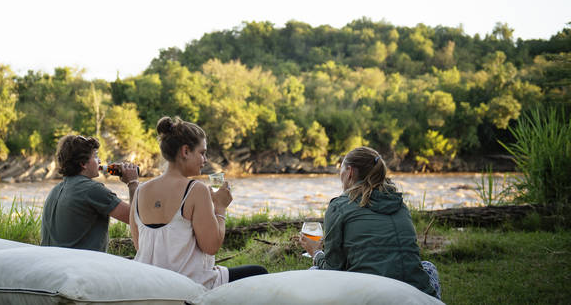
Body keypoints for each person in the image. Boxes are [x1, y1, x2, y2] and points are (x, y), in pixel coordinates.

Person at [129, 116, 267, 289]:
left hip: (150, 286)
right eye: (202, 153)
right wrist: (220, 208)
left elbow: (139, 245)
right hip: (189, 286)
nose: (206, 159)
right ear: (185, 151)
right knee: (259, 272)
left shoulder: (140, 190)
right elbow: (211, 246)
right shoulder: (195, 189)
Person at [298, 146, 441, 299]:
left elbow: (333, 269)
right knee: (428, 267)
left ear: (350, 172)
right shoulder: (400, 204)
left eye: (341, 169)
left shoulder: (339, 206)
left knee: (313, 273)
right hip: (418, 293)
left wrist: (316, 253)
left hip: (369, 295)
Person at [41, 135, 139, 252]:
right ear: (83, 163)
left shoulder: (55, 189)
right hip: (82, 266)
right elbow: (136, 221)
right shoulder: (91, 189)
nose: (100, 161)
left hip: (53, 262)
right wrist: (132, 183)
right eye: (95, 156)